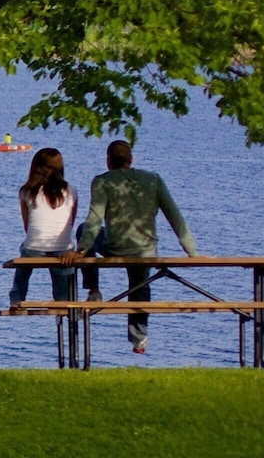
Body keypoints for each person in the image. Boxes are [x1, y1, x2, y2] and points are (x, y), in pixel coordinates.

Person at [60, 140, 199, 354]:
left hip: (114, 246)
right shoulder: (153, 180)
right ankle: (139, 338)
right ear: (131, 160)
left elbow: (94, 219)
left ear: (108, 161)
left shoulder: (102, 182)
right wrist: (191, 251)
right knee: (140, 286)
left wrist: (81, 250)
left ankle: (94, 290)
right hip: (145, 249)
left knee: (82, 229)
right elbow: (175, 216)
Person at [10, 148, 78, 306]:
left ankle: (16, 298)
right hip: (63, 249)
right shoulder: (71, 191)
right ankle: (64, 300)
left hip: (35, 247)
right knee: (65, 261)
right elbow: (70, 223)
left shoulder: (26, 191)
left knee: (25, 254)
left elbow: (27, 226)